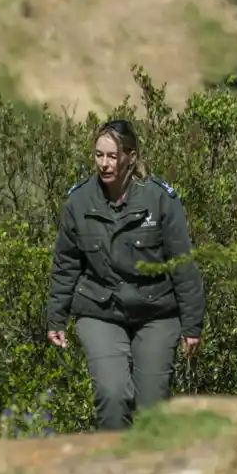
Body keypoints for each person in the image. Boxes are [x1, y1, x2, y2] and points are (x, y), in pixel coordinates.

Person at [44, 119, 205, 431]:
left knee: (151, 406)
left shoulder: (159, 199)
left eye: (112, 156)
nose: (104, 164)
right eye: (98, 155)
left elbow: (182, 264)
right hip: (100, 310)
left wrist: (192, 325)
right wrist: (56, 318)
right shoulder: (78, 202)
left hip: (156, 311)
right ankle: (116, 469)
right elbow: (66, 264)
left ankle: (152, 472)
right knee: (112, 394)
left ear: (130, 156)